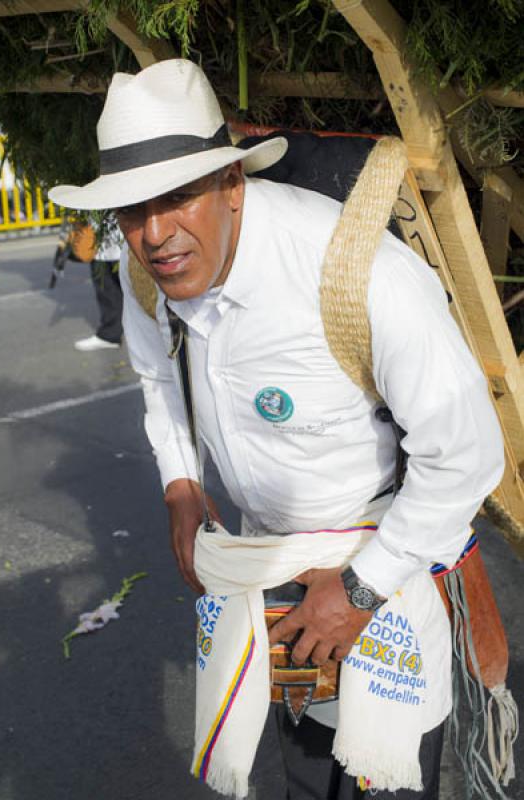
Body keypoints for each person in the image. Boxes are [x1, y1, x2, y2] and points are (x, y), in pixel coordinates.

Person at [49, 60, 505, 800]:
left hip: (384, 563)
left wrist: (361, 590)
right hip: (272, 573)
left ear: (232, 185)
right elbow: (160, 380)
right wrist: (181, 485)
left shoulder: (355, 275)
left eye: (177, 197)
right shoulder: (148, 276)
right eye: (132, 209)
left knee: (386, 778)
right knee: (302, 766)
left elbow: (466, 453)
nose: (155, 233)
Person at [74, 217, 124, 351]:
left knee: (139, 294)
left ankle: (154, 337)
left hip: (126, 236)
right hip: (98, 241)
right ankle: (110, 335)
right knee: (106, 290)